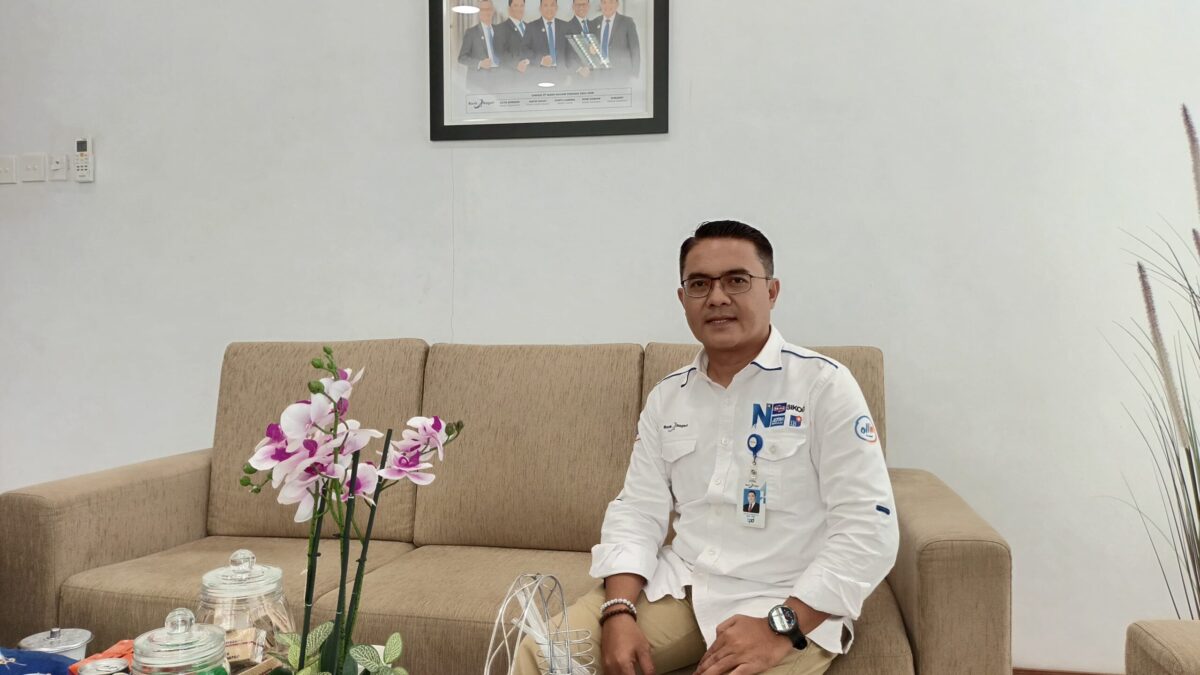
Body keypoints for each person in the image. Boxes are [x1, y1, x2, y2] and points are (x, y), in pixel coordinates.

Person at [515, 220, 899, 675]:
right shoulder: (668, 397)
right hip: (685, 586)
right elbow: (637, 510)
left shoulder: (823, 385)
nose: (716, 297)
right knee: (545, 654)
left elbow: (868, 528)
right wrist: (618, 610)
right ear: (683, 299)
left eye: (736, 280)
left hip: (787, 596)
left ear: (772, 291)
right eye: (699, 284)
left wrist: (780, 628)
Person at [457, 0, 503, 92]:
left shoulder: (500, 30)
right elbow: (462, 58)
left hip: (499, 82)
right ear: (479, 12)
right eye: (483, 9)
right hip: (479, 84)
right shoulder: (471, 33)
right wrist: (480, 63)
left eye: (488, 9)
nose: (486, 12)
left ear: (493, 11)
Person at [592, 0, 640, 80]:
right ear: (600, 4)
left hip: (621, 76)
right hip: (598, 76)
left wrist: (634, 75)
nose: (607, 5)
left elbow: (635, 50)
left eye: (611, 2)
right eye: (604, 2)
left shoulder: (627, 22)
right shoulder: (594, 22)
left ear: (617, 4)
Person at [525, 0, 571, 83]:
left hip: (562, 77)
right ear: (540, 8)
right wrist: (540, 60)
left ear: (556, 8)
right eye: (545, 5)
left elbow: (570, 52)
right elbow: (524, 50)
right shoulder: (531, 27)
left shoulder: (566, 26)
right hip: (538, 77)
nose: (549, 8)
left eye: (552, 5)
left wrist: (569, 73)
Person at [496, 0, 532, 86]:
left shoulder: (530, 27)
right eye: (516, 5)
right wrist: (516, 64)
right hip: (511, 81)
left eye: (521, 5)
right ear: (509, 9)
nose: (519, 9)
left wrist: (529, 60)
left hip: (530, 80)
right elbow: (499, 52)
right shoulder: (500, 28)